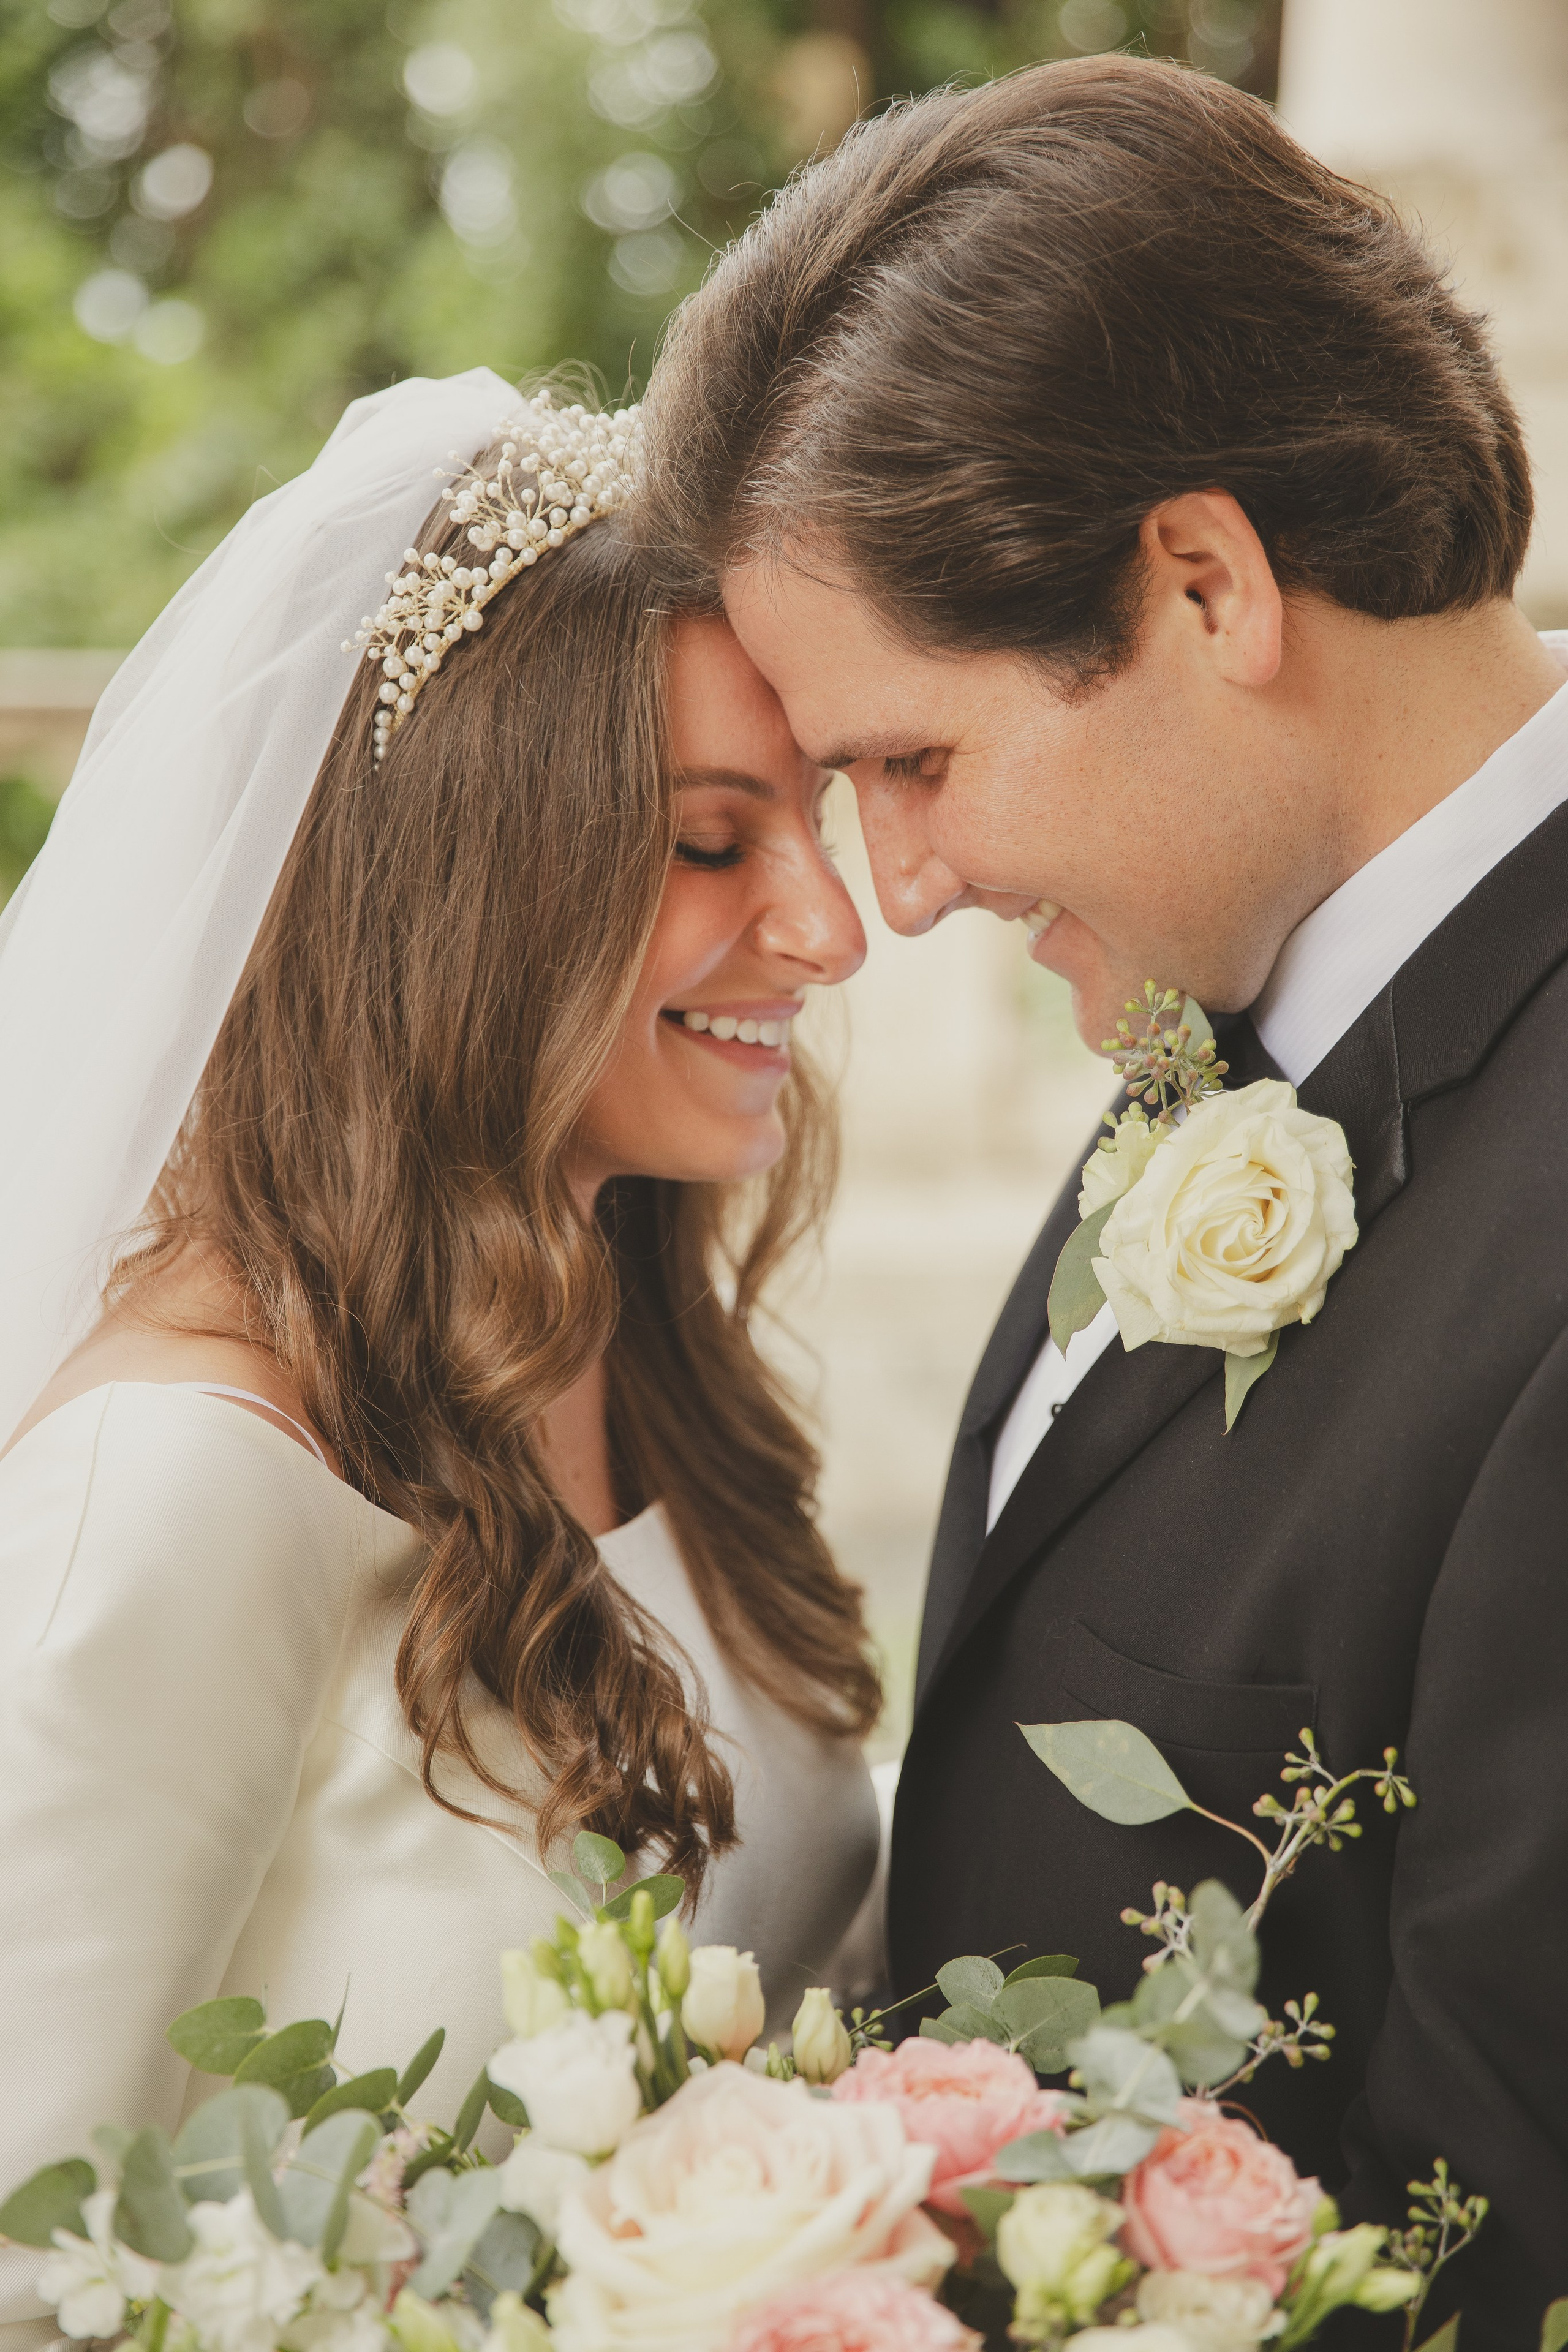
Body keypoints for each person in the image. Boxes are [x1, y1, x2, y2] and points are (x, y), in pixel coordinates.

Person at [639, 54, 1568, 2342]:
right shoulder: (1245, 985)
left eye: (916, 764)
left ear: (1202, 580)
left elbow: (1507, 2231)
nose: (903, 887)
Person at [0, 370, 881, 2343]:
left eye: (812, 816)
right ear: (482, 897)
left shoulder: (659, 1361)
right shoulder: (180, 1488)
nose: (833, 924)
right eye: (714, 844)